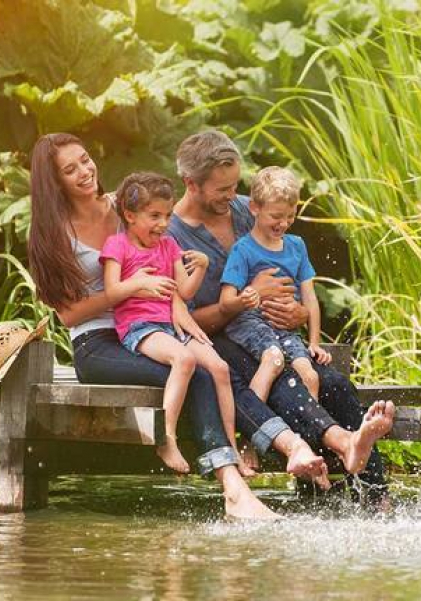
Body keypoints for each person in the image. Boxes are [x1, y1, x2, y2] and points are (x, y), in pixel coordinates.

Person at [26, 132, 317, 520]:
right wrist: (132, 288)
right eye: (70, 169)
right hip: (99, 343)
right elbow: (68, 315)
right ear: (54, 181)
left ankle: (254, 458)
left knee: (214, 365)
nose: (84, 171)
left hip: (156, 324)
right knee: (194, 371)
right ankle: (233, 489)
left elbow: (164, 266)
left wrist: (178, 307)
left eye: (85, 159)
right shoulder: (53, 233)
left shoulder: (124, 208)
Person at [167, 130, 395, 499]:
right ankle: (335, 454)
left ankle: (374, 495)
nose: (232, 197)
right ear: (190, 184)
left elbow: (294, 280)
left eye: (234, 186)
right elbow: (182, 320)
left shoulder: (250, 209)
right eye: (221, 190)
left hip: (274, 334)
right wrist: (247, 298)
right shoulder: (172, 235)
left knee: (334, 383)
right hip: (219, 343)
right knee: (283, 381)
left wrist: (298, 312)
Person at [101, 171, 251, 476]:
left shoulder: (168, 246)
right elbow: (112, 293)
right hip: (140, 326)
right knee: (183, 360)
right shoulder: (117, 246)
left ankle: (232, 450)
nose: (163, 223)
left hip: (172, 327)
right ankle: (166, 437)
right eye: (154, 215)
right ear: (129, 215)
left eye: (167, 215)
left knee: (220, 368)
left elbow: (184, 292)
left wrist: (202, 267)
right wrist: (139, 284)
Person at [220, 166, 330, 403]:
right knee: (274, 360)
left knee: (310, 375)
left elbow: (309, 297)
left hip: (286, 328)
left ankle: (312, 432)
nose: (284, 223)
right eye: (276, 216)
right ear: (255, 208)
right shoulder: (243, 249)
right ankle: (256, 423)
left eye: (290, 216)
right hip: (250, 321)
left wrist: (314, 343)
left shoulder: (297, 246)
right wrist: (246, 297)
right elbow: (226, 300)